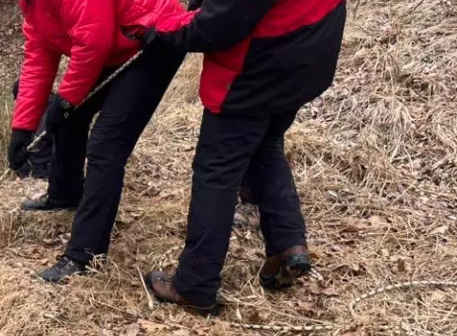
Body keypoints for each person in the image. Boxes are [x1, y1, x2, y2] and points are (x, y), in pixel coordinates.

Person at [140, 0, 347, 314]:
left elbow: (217, 26)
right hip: (309, 50)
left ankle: (195, 284)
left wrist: (163, 27)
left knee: (217, 171)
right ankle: (287, 244)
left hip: (261, 66)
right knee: (265, 142)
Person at [7, 0, 187, 280]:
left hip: (153, 39)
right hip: (114, 44)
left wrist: (65, 101)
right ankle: (64, 194)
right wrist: (22, 128)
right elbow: (39, 55)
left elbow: (93, 42)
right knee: (69, 119)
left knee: (106, 146)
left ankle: (83, 255)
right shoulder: (31, 6)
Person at [10, 79, 55, 183]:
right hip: (30, 173)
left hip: (42, 175)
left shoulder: (52, 115)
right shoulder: (30, 114)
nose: (17, 105)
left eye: (18, 101)